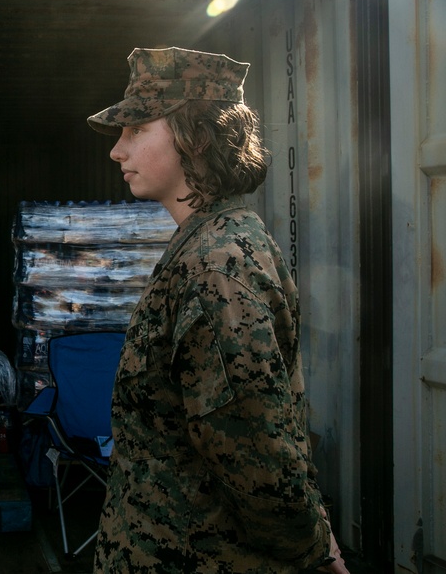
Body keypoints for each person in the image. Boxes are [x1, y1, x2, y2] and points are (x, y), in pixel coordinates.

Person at [86, 47, 349, 573]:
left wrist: (318, 556)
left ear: (196, 137)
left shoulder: (217, 265)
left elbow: (258, 455)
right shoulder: (205, 242)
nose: (118, 150)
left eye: (136, 130)